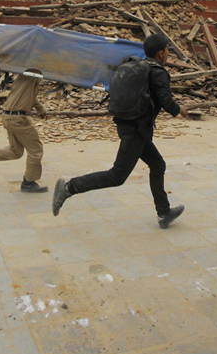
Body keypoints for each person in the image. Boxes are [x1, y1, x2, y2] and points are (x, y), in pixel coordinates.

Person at [52, 34, 188, 227]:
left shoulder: (139, 67)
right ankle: (68, 187)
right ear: (160, 53)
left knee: (157, 164)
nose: (168, 53)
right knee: (117, 176)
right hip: (136, 131)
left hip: (129, 125)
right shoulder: (158, 72)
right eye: (167, 50)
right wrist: (180, 110)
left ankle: (164, 212)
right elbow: (167, 102)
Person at [0, 70, 50, 193]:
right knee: (36, 150)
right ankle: (29, 183)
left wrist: (40, 108)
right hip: (17, 119)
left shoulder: (28, 78)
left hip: (10, 116)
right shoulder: (29, 74)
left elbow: (30, 97)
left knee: (15, 151)